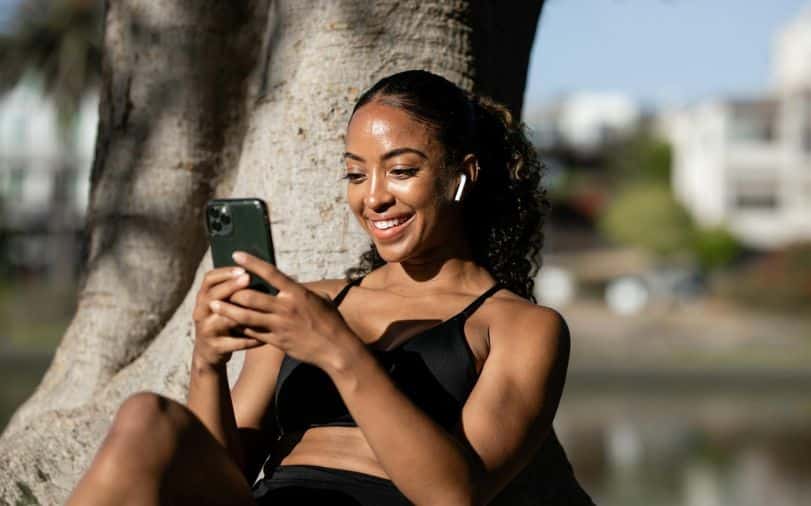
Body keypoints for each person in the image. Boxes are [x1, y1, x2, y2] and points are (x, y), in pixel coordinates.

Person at [66, 69, 570, 506]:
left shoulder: (520, 327)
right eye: (355, 174)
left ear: (464, 174)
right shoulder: (310, 303)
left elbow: (456, 497)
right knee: (146, 415)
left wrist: (336, 350)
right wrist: (208, 362)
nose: (373, 197)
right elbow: (225, 475)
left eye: (400, 171)